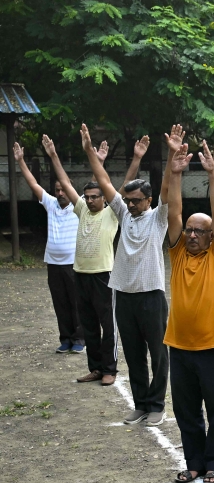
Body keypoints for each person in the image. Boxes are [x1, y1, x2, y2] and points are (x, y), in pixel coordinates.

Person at [82, 123, 179, 426]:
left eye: (136, 200)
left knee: (158, 355)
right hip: (123, 296)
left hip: (151, 296)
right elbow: (103, 180)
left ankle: (157, 406)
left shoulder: (158, 218)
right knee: (134, 355)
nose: (131, 203)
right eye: (129, 200)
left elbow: (166, 191)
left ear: (148, 201)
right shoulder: (124, 214)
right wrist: (88, 151)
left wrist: (172, 156)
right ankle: (140, 404)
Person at [40, 134, 146, 384]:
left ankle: (109, 369)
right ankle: (96, 367)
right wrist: (53, 155)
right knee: (88, 325)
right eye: (86, 197)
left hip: (103, 276)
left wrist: (137, 158)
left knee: (108, 325)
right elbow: (64, 182)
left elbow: (122, 185)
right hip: (80, 275)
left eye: (94, 196)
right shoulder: (80, 210)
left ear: (103, 198)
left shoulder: (111, 213)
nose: (89, 200)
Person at [161, 141, 214, 483]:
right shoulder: (177, 254)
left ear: (210, 236)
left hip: (212, 345)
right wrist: (175, 173)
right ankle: (193, 463)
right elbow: (173, 212)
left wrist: (212, 174)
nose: (190, 234)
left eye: (197, 231)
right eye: (188, 230)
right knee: (186, 409)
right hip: (180, 345)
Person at [13, 142, 83, 354]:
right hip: (53, 263)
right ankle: (65, 339)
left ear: (70, 189)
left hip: (73, 264)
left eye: (63, 189)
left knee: (76, 303)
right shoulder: (50, 204)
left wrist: (53, 155)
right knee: (60, 303)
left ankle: (79, 338)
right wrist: (20, 161)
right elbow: (32, 183)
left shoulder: (80, 207)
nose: (60, 193)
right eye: (58, 190)